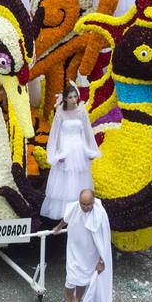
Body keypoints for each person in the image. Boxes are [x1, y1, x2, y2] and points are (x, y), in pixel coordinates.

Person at [50, 189, 113, 302]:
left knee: (84, 278)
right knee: (71, 278)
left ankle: (77, 300)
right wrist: (58, 227)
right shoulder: (75, 206)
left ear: (93, 201)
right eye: (82, 204)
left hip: (91, 253)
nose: (85, 207)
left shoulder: (100, 213)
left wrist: (101, 261)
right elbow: (66, 219)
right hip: (74, 249)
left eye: (88, 204)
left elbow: (105, 238)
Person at [41, 84, 100, 220]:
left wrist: (89, 151)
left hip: (79, 150)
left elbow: (87, 133)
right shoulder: (60, 113)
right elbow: (55, 135)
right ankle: (64, 215)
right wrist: (57, 153)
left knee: (79, 180)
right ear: (65, 99)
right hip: (65, 149)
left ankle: (79, 212)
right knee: (64, 181)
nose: (74, 99)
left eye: (75, 96)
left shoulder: (82, 112)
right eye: (70, 97)